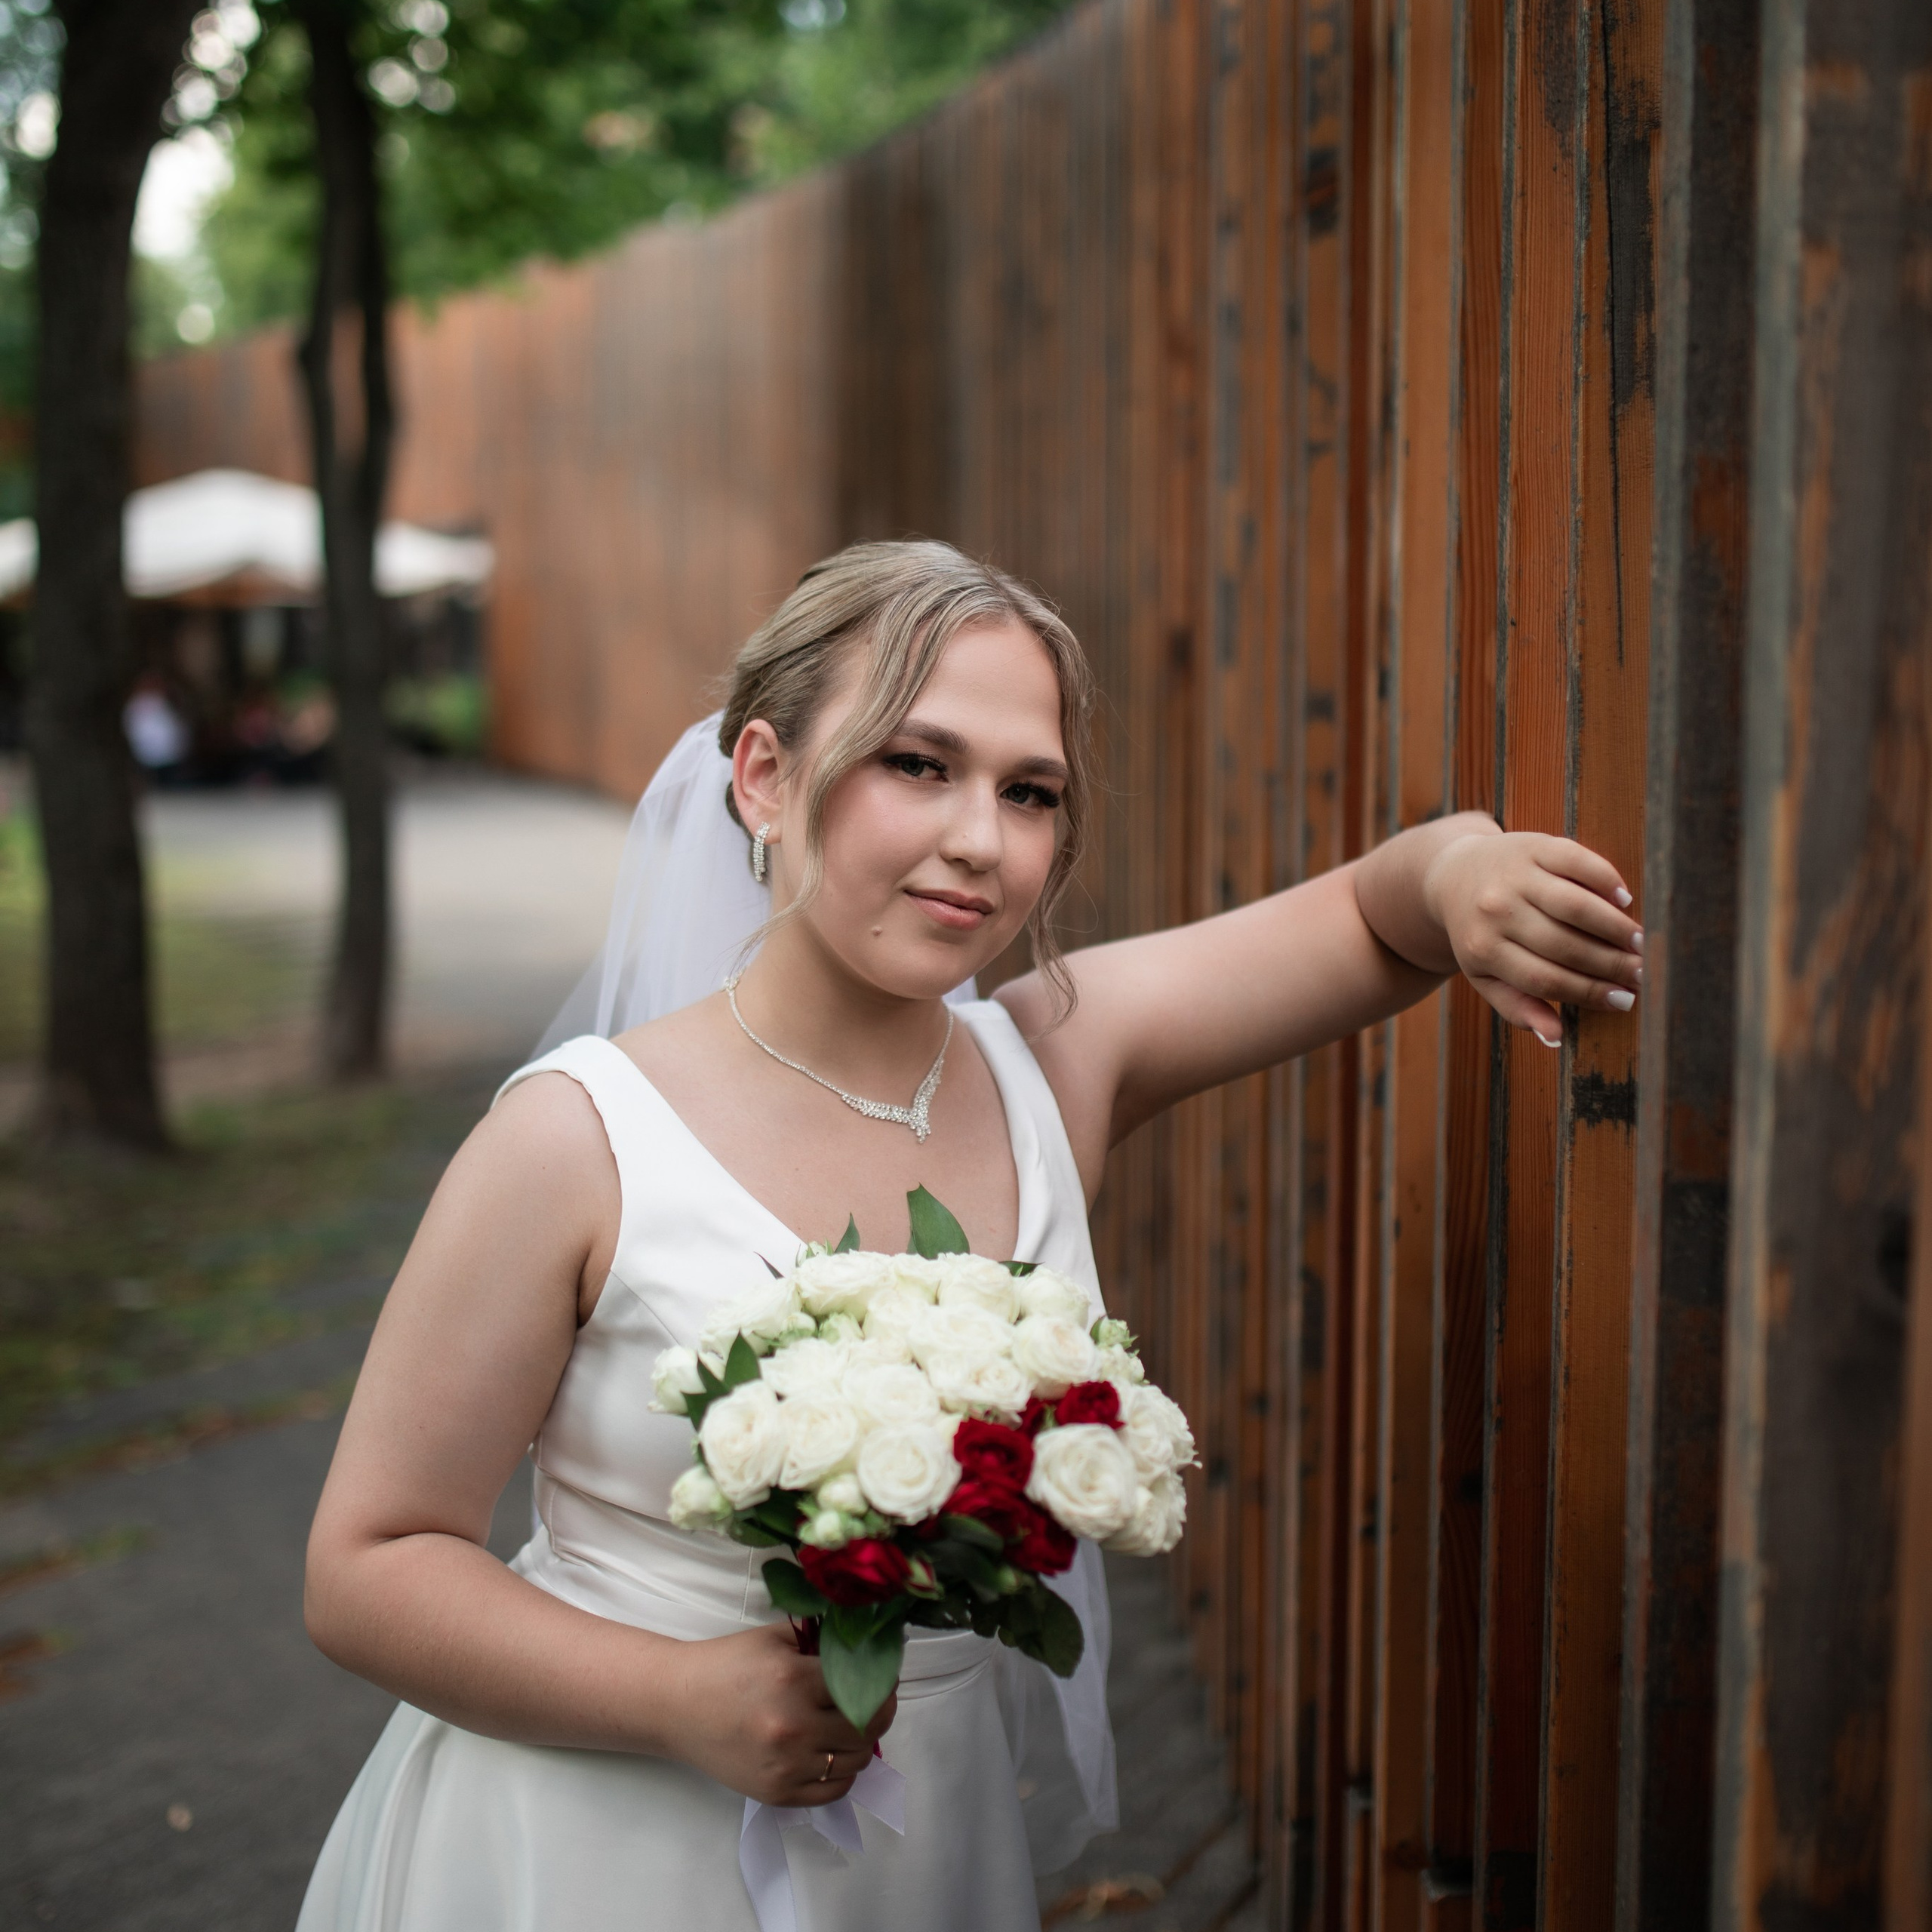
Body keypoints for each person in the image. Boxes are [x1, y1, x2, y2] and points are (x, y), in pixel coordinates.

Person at [296, 540, 1641, 1931]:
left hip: (928, 1843)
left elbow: (1374, 913)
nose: (982, 841)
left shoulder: (1054, 1061)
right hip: (595, 1848)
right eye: (918, 764)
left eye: (1030, 791)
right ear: (763, 777)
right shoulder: (576, 1138)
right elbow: (368, 1565)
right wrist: (675, 1697)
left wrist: (1467, 874)